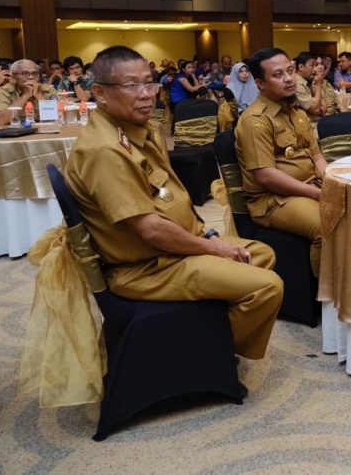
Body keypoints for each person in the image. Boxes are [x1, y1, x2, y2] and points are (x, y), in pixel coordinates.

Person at [63, 45, 282, 360]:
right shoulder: (105, 151)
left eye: (149, 83)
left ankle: (204, 329)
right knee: (267, 286)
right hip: (145, 267)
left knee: (260, 254)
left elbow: (169, 196)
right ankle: (209, 355)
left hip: (172, 249)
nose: (146, 94)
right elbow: (150, 229)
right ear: (100, 93)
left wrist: (207, 235)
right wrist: (213, 248)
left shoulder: (137, 130)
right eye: (131, 85)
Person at [234, 48, 326, 276]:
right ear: (260, 84)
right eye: (278, 74)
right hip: (274, 200)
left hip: (309, 186)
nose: (288, 79)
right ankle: (326, 294)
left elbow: (317, 156)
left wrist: (329, 183)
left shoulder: (296, 112)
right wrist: (315, 193)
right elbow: (266, 176)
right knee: (327, 224)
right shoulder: (255, 120)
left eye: (290, 71)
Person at [0, 59, 57, 125]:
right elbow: (1, 120)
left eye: (35, 73)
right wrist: (25, 95)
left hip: (45, 130)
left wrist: (39, 96)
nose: (31, 77)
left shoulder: (48, 90)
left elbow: (56, 118)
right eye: (25, 74)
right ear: (14, 77)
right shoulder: (5, 91)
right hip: (17, 131)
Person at [293, 52, 338, 121]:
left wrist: (320, 107)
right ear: (301, 67)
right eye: (312, 65)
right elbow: (316, 109)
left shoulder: (307, 81)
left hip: (318, 119)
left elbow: (323, 105)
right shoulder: (296, 84)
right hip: (309, 124)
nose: (315, 69)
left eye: (316, 65)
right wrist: (319, 85)